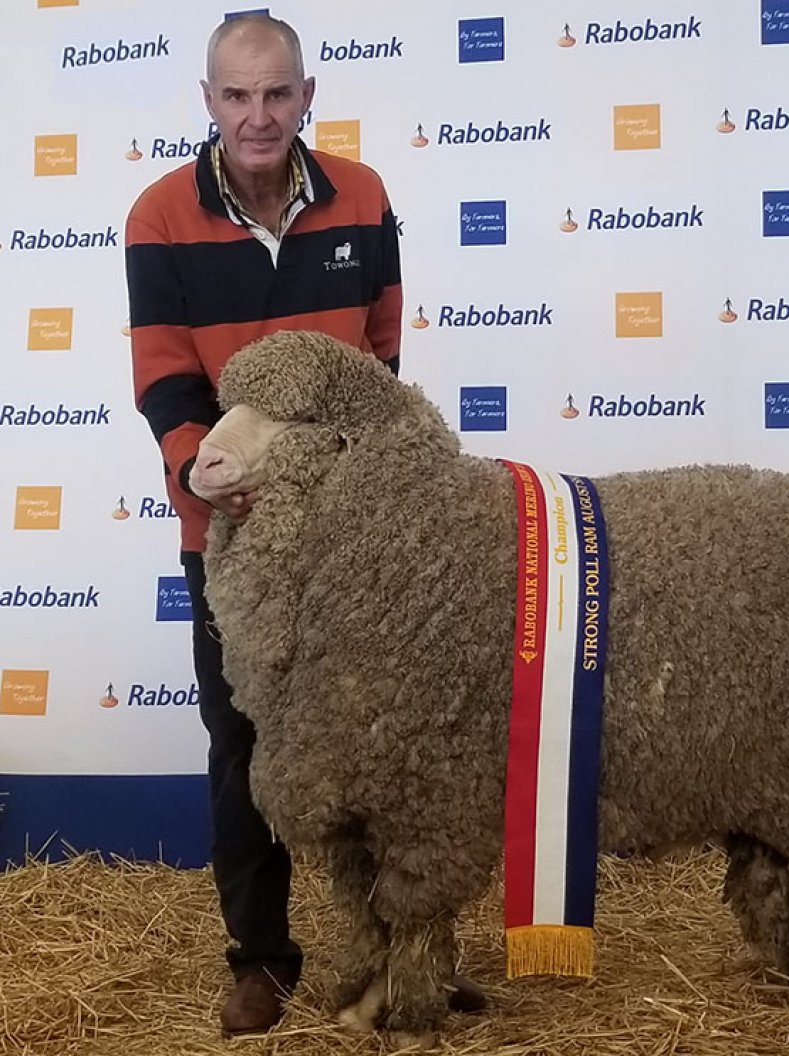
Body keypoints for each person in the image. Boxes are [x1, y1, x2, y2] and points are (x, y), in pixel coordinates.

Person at [125, 14, 482, 1036]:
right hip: (230, 542)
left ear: (307, 93)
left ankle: (406, 954)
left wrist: (358, 505)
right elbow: (163, 376)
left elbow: (377, 372)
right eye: (236, 96)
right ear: (207, 101)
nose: (257, 115)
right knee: (244, 745)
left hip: (355, 553)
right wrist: (200, 471)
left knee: (391, 744)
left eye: (276, 94)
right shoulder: (158, 216)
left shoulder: (363, 197)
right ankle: (262, 959)